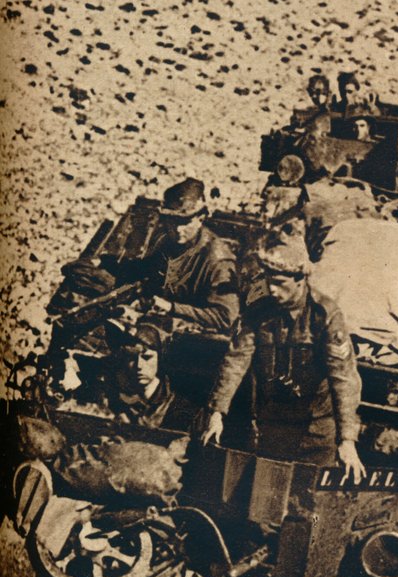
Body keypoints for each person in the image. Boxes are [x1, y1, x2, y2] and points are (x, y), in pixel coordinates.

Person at [200, 234, 366, 481]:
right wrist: (217, 413)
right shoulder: (258, 310)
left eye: (279, 283)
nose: (272, 290)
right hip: (273, 426)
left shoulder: (324, 315)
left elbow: (344, 378)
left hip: (316, 430)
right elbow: (236, 360)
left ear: (300, 279)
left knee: (308, 498)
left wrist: (347, 440)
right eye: (269, 282)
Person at [145, 178, 239, 333]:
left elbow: (225, 317)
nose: (178, 229)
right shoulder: (166, 241)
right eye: (173, 221)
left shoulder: (218, 259)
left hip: (197, 335)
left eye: (185, 222)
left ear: (200, 219)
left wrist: (172, 307)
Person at [102, 321, 192, 430]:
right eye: (131, 358)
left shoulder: (178, 405)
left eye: (147, 358)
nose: (139, 366)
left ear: (159, 360)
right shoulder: (115, 397)